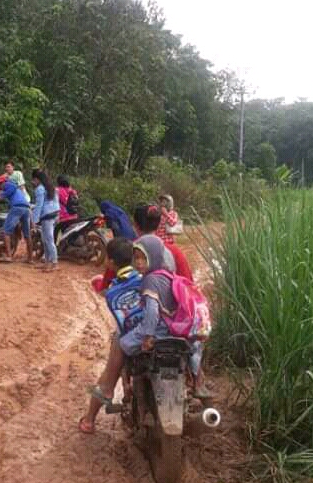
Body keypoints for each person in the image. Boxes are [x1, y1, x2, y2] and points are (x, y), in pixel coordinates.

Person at [79, 235, 202, 434]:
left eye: (141, 258)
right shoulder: (161, 274)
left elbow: (131, 314)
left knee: (112, 367)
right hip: (173, 331)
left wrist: (146, 334)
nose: (139, 262)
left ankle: (89, 420)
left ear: (110, 262)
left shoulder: (126, 287)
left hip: (147, 333)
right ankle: (197, 384)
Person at [134, 204, 191, 278]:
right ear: (158, 225)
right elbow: (187, 283)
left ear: (136, 225)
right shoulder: (174, 251)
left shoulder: (126, 248)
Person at [0, 176, 33, 263]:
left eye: (0, 185)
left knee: (6, 232)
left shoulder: (9, 184)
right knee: (27, 235)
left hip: (17, 208)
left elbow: (9, 190)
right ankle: (30, 258)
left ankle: (9, 256)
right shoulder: (17, 190)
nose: (1, 188)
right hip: (26, 208)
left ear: (2, 182)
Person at [31, 169, 60, 273]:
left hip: (46, 215)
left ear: (37, 179)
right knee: (46, 239)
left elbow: (39, 205)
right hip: (54, 214)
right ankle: (48, 262)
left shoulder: (39, 189)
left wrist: (34, 220)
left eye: (33, 179)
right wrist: (58, 215)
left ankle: (54, 263)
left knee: (48, 240)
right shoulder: (51, 187)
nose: (32, 182)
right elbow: (57, 202)